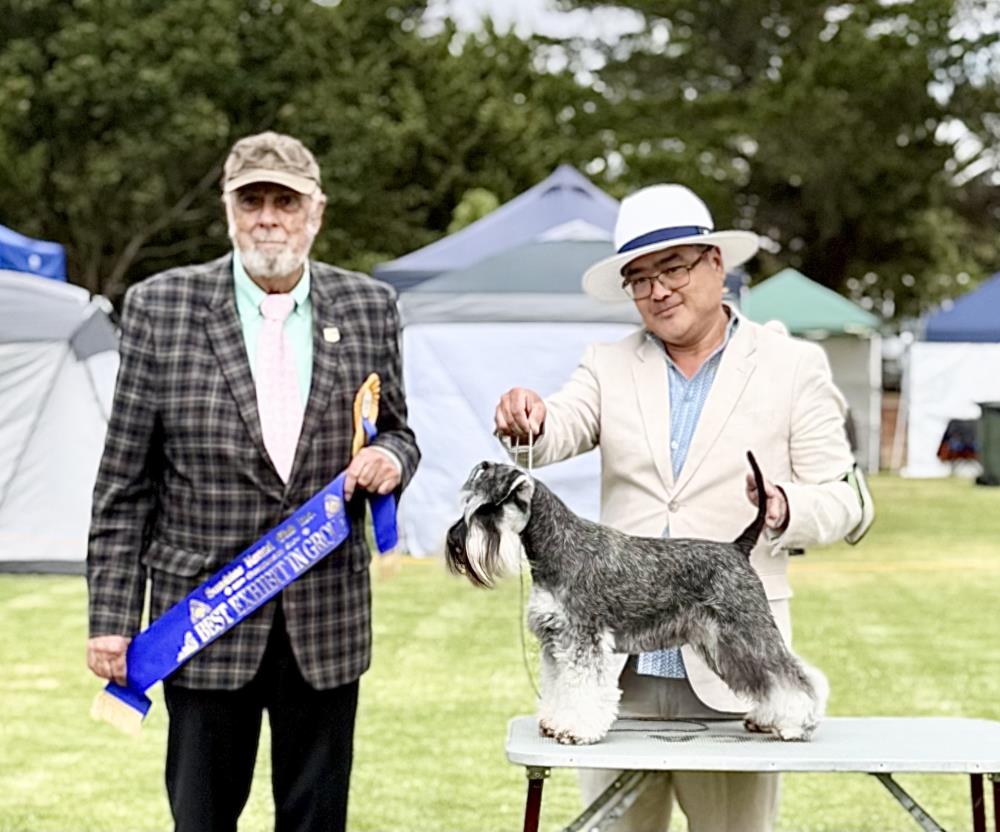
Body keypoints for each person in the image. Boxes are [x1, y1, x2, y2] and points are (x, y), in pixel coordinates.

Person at [494, 184, 868, 832]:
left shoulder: (793, 364)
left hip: (733, 682)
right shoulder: (606, 363)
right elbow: (559, 424)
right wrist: (528, 418)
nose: (658, 291)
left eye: (672, 268)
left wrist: (785, 506)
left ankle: (793, 694)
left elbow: (849, 499)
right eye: (639, 279)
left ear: (716, 264)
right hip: (617, 676)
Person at [86, 131, 420, 832]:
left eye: (286, 202)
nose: (269, 218)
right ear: (228, 210)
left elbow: (397, 430)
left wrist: (392, 460)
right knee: (201, 821)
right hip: (200, 623)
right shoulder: (159, 306)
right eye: (252, 201)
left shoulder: (370, 305)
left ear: (316, 212)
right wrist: (112, 620)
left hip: (325, 623)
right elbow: (124, 482)